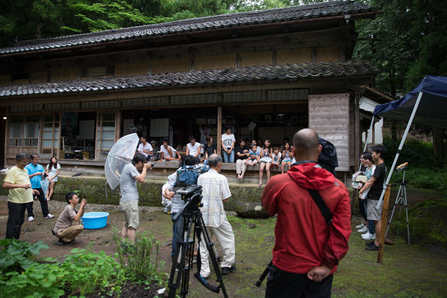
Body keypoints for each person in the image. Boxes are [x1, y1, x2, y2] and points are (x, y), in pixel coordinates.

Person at [261, 128, 351, 297]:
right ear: (319, 150)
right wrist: (328, 265)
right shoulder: (339, 188)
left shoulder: (277, 183)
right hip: (320, 270)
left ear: (292, 151)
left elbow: (268, 209)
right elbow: (342, 233)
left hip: (286, 266)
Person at [198, 154, 236, 278]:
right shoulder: (222, 179)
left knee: (203, 243)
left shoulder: (201, 177)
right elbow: (225, 198)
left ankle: (204, 271)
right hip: (217, 215)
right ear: (219, 164)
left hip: (203, 215)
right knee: (228, 238)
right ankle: (226, 265)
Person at [162, 155, 198, 259]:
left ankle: (186, 250)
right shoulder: (178, 173)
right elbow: (167, 186)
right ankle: (175, 254)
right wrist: (168, 192)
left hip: (190, 206)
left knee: (187, 231)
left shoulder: (196, 174)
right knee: (178, 233)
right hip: (178, 208)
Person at [3, 153, 39, 239]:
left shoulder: (25, 170)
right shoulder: (13, 170)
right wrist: (21, 186)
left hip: (23, 200)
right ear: (17, 161)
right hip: (15, 201)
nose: (25, 164)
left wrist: (32, 190)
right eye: (23, 162)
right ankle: (10, 243)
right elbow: (6, 185)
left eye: (27, 162)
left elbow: (24, 183)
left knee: (20, 221)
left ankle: (16, 240)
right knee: (13, 223)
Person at [119, 153, 152, 244]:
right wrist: (145, 169)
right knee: (132, 225)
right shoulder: (131, 167)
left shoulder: (128, 167)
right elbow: (141, 179)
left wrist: (146, 170)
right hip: (130, 201)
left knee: (126, 224)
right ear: (140, 162)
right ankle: (131, 246)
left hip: (125, 200)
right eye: (143, 163)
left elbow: (139, 175)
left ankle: (123, 244)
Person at [360, 145, 387, 251]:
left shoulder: (380, 167)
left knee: (376, 220)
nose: (372, 155)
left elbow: (371, 181)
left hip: (376, 197)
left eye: (374, 153)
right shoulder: (381, 166)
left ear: (379, 154)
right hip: (375, 196)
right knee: (375, 219)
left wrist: (362, 190)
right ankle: (377, 240)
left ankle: (378, 243)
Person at [26, 154, 54, 221]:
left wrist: (44, 175)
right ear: (31, 160)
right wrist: (35, 174)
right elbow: (26, 176)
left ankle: (46, 214)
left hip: (39, 186)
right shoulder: (27, 167)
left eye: (38, 159)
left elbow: (42, 176)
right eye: (35, 159)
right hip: (31, 186)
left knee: (43, 200)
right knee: (30, 201)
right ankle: (30, 215)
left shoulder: (40, 166)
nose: (37, 161)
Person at [357, 152, 376, 241]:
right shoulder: (367, 168)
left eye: (365, 159)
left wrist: (362, 188)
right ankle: (369, 228)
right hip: (365, 192)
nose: (363, 160)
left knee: (370, 213)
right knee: (365, 210)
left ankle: (372, 232)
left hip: (369, 192)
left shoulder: (374, 168)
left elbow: (370, 181)